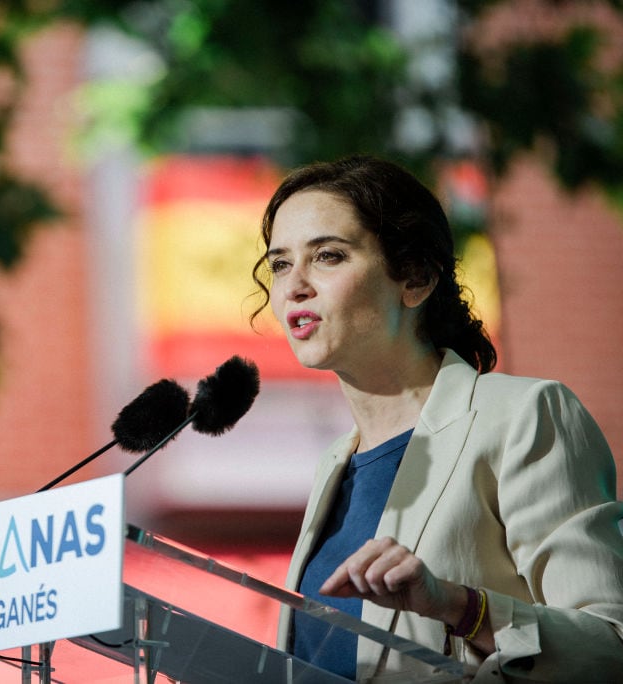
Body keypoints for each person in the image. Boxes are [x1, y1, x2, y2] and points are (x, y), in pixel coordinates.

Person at [251, 155, 623, 682]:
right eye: (281, 264)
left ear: (417, 278)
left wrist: (458, 606)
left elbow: (611, 648)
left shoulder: (523, 416)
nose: (294, 286)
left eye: (328, 256)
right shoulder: (336, 463)